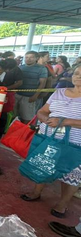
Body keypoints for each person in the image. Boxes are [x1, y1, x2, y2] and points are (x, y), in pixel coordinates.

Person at [20, 65, 81, 219]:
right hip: (48, 137)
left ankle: (62, 204)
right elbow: (42, 111)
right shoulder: (59, 92)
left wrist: (65, 121)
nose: (77, 76)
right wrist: (45, 119)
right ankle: (36, 192)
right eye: (76, 73)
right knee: (44, 164)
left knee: (71, 173)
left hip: (74, 143)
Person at [15, 51, 48, 124]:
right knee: (14, 116)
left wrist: (35, 95)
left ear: (37, 58)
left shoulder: (42, 69)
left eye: (31, 57)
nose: (28, 59)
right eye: (26, 57)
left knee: (27, 118)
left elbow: (42, 83)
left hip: (29, 97)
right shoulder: (21, 67)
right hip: (17, 95)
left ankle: (24, 133)